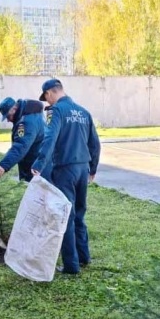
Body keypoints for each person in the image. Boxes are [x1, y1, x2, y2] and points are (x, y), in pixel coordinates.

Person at [31, 79, 101, 274]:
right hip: (83, 169)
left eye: (46, 98)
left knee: (65, 216)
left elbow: (50, 138)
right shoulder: (84, 112)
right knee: (79, 213)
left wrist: (39, 163)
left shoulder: (57, 111)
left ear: (49, 94)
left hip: (65, 170)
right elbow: (95, 143)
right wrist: (92, 169)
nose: (48, 103)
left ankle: (71, 265)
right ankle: (84, 256)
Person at [0, 97, 46, 182]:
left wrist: (3, 165)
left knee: (33, 193)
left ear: (14, 109)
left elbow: (20, 146)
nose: (8, 120)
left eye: (8, 116)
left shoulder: (26, 122)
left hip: (34, 167)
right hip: (38, 163)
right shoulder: (33, 115)